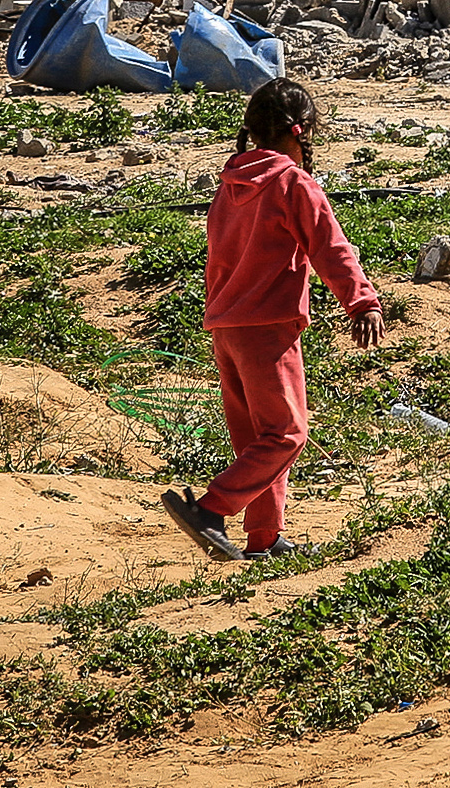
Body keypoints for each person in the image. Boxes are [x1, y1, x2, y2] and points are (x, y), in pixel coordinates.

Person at [161, 78, 383, 563]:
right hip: (268, 329)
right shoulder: (292, 183)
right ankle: (210, 510)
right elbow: (330, 247)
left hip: (226, 327)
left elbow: (220, 258)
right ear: (300, 131)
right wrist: (361, 300)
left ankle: (264, 536)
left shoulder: (230, 183)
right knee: (286, 433)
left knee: (256, 440)